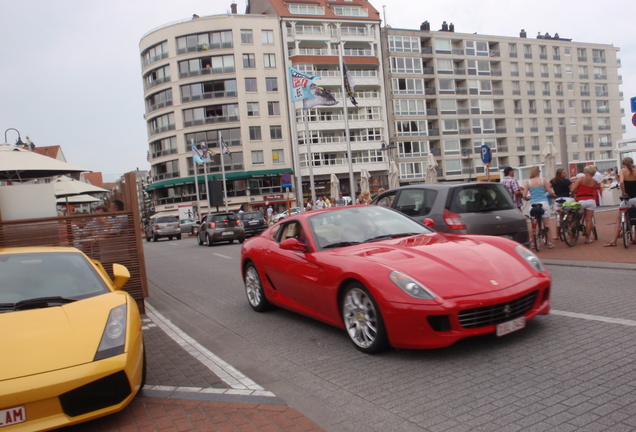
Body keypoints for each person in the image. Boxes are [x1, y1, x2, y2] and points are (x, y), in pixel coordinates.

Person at [604, 157, 636, 246]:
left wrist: (624, 192)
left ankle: (613, 241)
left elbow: (621, 182)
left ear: (623, 164)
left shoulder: (622, 171)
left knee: (619, 218)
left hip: (627, 198)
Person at [524, 166, 556, 249]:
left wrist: (527, 198)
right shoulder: (543, 180)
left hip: (533, 204)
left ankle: (533, 243)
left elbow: (524, 195)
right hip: (543, 203)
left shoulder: (528, 182)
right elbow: (550, 191)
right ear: (538, 172)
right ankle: (549, 242)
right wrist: (552, 194)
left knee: (533, 224)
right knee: (546, 223)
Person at [570, 165, 600, 244]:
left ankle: (571, 238)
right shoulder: (595, 182)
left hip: (581, 201)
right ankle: (587, 239)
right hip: (590, 200)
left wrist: (572, 193)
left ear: (587, 172)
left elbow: (573, 189)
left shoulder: (580, 179)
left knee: (576, 219)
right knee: (589, 220)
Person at [550, 168, 574, 240]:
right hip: (567, 199)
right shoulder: (567, 181)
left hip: (558, 200)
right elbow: (573, 188)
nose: (566, 173)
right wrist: (572, 193)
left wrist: (552, 194)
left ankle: (557, 235)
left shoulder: (553, 181)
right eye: (564, 172)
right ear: (560, 174)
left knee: (558, 217)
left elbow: (547, 187)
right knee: (570, 214)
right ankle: (570, 225)